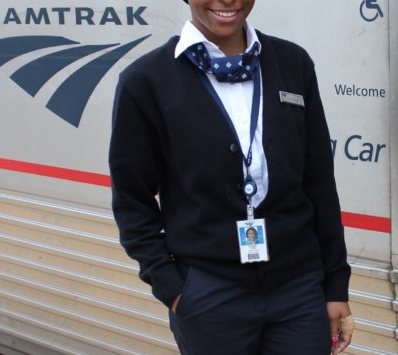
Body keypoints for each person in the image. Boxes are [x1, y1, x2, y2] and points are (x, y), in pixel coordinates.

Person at [108, 0, 353, 353]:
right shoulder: (145, 81)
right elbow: (132, 201)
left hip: (298, 290)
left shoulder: (292, 63)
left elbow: (319, 183)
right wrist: (174, 290)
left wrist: (334, 286)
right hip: (209, 294)